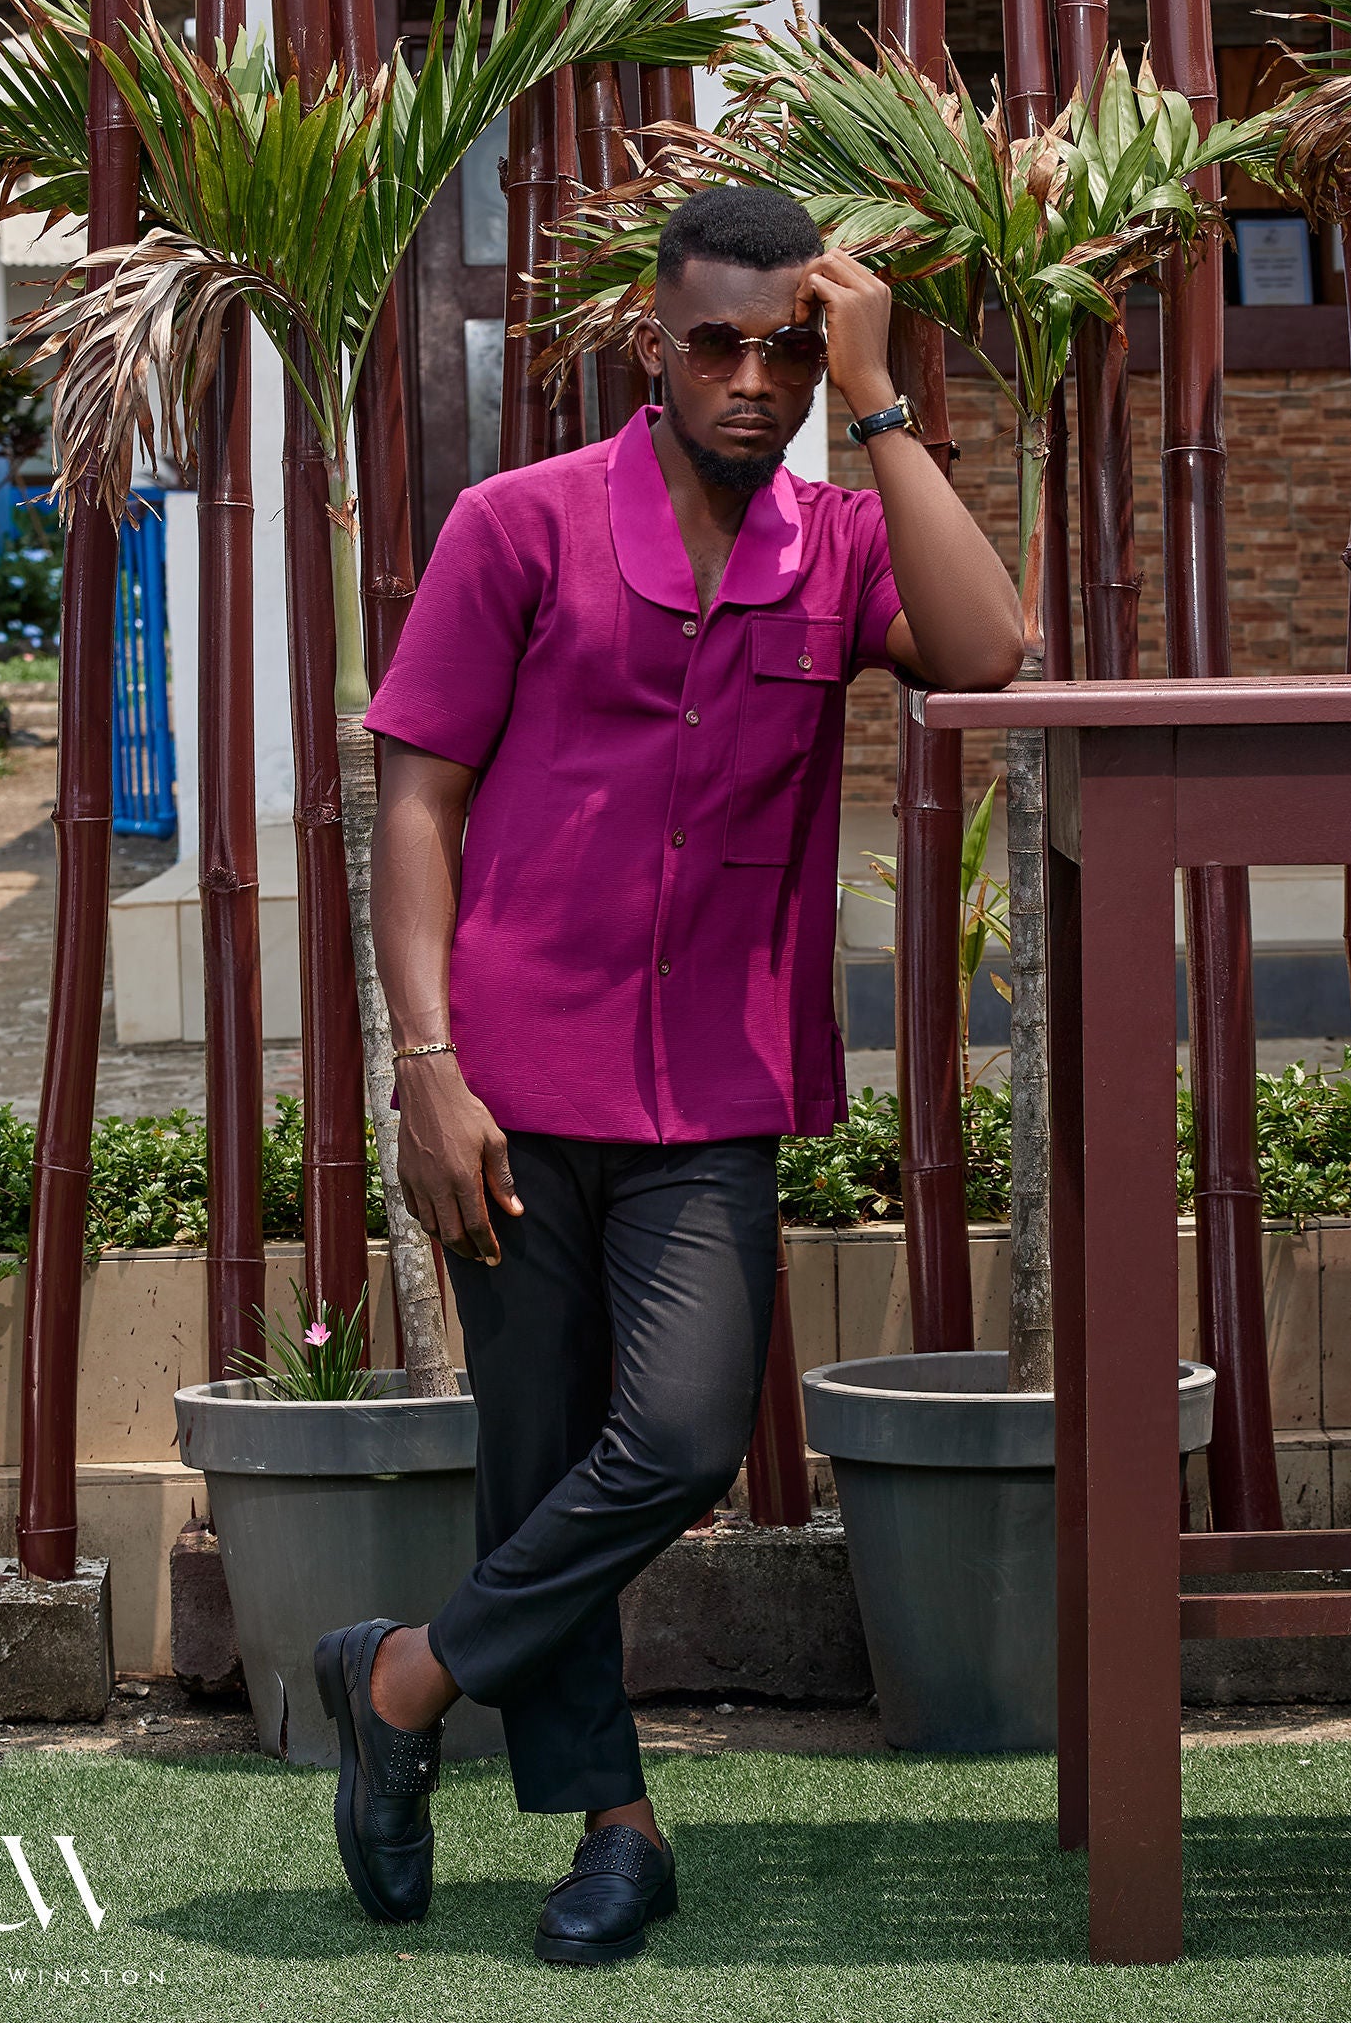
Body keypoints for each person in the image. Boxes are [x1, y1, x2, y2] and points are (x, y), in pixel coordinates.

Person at [312, 183, 1023, 1968]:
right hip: (513, 1077)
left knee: (681, 1439)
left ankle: (393, 1686)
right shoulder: (518, 524)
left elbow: (985, 651)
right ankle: (614, 1828)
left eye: (784, 347)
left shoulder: (837, 542)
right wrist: (425, 1068)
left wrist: (875, 402)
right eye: (717, 343)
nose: (748, 379)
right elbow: (417, 804)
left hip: (712, 1085)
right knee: (541, 1455)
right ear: (652, 340)